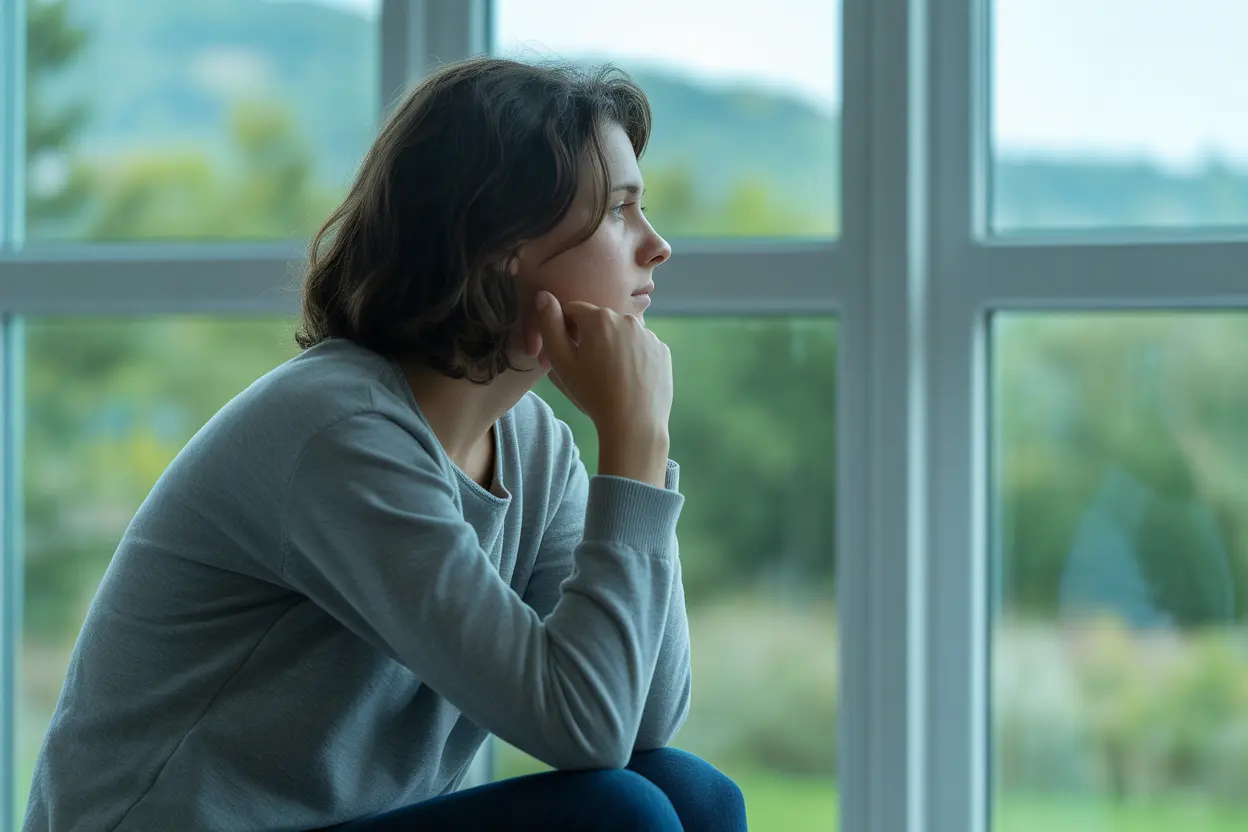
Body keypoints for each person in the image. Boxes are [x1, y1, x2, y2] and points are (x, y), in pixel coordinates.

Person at [23, 57, 747, 831]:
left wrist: (637, 453)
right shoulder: (339, 433)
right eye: (620, 210)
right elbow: (587, 728)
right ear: (501, 238)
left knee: (694, 794)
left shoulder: (533, 444)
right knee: (617, 814)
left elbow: (641, 718)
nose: (656, 245)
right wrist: (633, 441)